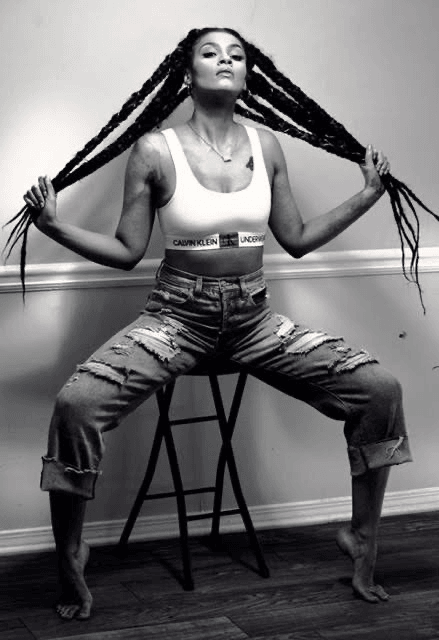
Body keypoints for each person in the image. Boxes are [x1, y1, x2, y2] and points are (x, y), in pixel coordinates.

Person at [21, 27, 412, 620]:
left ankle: (363, 538)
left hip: (255, 319)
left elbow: (296, 238)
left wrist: (367, 195)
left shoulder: (266, 145)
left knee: (380, 390)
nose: (226, 60)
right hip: (177, 318)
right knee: (77, 405)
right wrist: (54, 226)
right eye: (211, 53)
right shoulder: (155, 150)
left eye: (237, 55)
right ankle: (72, 551)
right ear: (187, 74)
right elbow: (127, 250)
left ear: (249, 76)